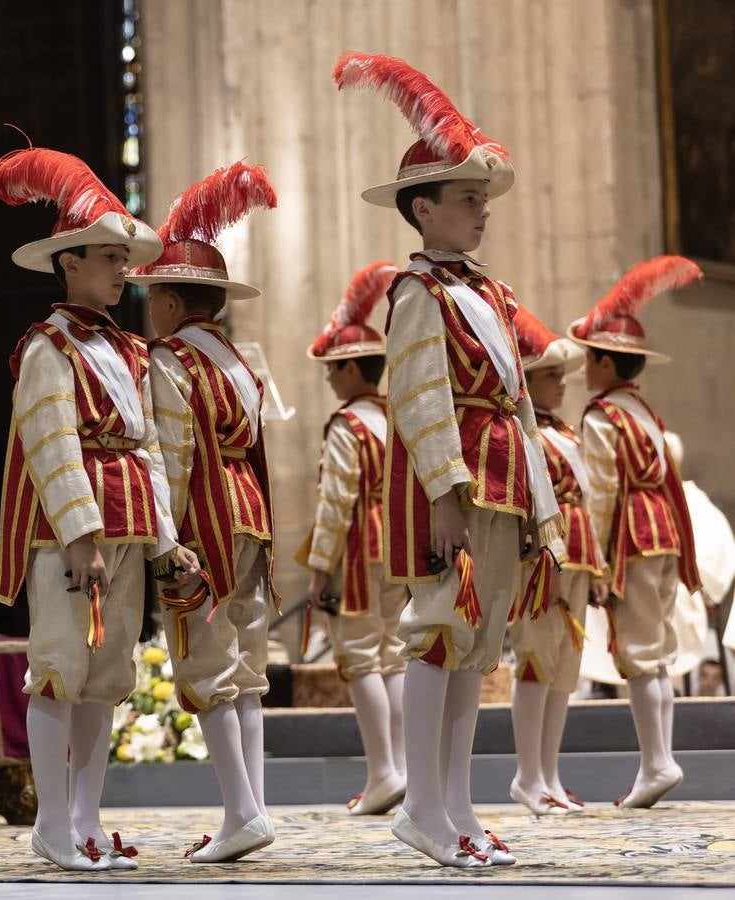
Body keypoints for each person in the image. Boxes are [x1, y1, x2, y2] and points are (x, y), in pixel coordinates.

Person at [335, 52, 565, 869]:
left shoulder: (489, 294)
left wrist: (540, 503)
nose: (481, 212)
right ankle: (423, 808)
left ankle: (458, 805)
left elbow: (519, 407)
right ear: (423, 209)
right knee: (438, 636)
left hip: (504, 486)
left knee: (477, 647)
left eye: (481, 199)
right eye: (466, 199)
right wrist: (443, 492)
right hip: (459, 489)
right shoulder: (415, 294)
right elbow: (423, 400)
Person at [0, 145, 200, 871]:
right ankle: (50, 820)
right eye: (107, 258)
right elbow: (49, 443)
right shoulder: (47, 346)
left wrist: (167, 539)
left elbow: (150, 452)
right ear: (68, 263)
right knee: (57, 665)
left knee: (108, 676)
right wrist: (78, 534)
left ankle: (84, 818)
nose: (121, 270)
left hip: (132, 527)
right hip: (73, 535)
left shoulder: (132, 352)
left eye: (122, 258)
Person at [129, 161, 278, 862]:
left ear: (166, 301)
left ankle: (243, 811)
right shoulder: (239, 359)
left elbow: (171, 456)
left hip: (205, 526)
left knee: (208, 666)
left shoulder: (168, 360)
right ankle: (248, 806)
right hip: (251, 520)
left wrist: (165, 541)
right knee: (245, 667)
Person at [570, 255, 703, 808]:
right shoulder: (643, 410)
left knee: (641, 652)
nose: (584, 370)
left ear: (606, 362)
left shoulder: (604, 417)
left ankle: (657, 761)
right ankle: (658, 758)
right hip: (664, 532)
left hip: (634, 536)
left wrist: (597, 562)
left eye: (588, 360)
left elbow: (600, 494)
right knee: (657, 650)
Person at [298, 261, 409, 816]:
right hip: (401, 547)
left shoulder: (349, 426)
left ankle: (383, 770)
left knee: (361, 658)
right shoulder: (397, 418)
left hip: (362, 550)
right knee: (392, 656)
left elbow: (336, 502)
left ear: (349, 370)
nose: (328, 380)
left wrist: (319, 571)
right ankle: (399, 767)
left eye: (332, 370)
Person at [504, 307, 604, 815]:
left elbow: (589, 500)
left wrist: (599, 566)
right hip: (545, 553)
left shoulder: (563, 432)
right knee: (537, 661)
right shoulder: (529, 436)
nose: (562, 386)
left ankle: (552, 774)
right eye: (550, 377)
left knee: (566, 668)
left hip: (580, 553)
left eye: (562, 377)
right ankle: (528, 775)